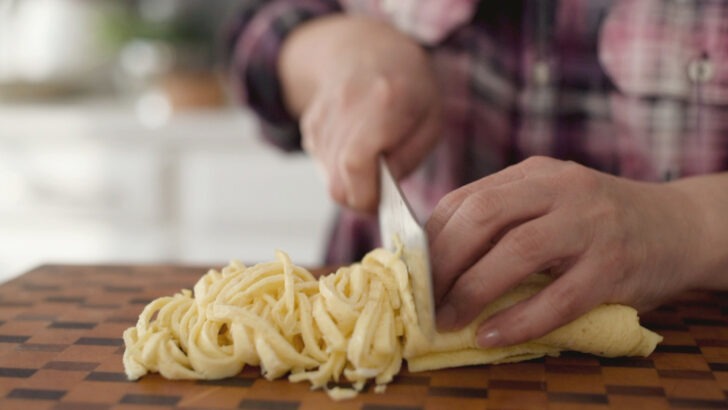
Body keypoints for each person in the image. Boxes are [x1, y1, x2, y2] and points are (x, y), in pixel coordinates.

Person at [225, 0, 728, 349]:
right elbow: (254, 32)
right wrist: (336, 49)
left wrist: (688, 223)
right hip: (367, 348)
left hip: (691, 355)